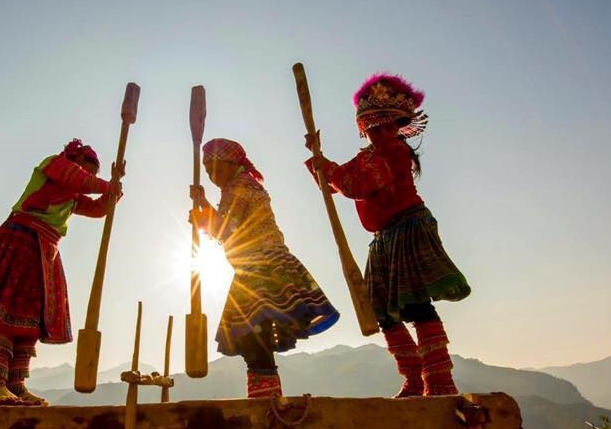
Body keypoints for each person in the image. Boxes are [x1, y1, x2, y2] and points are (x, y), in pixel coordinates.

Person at [305, 74, 470, 397]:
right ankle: (412, 377)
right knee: (380, 310)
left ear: (396, 126)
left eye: (385, 127)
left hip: (409, 228)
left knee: (416, 304)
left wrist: (327, 166)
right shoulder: (366, 156)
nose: (379, 133)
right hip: (383, 237)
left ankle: (438, 381)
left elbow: (355, 186)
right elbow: (339, 180)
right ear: (364, 128)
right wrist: (318, 155)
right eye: (373, 128)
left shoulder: (395, 152)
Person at [0, 139, 121, 404]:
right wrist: (107, 185)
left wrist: (114, 192)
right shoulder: (54, 164)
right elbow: (77, 179)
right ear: (76, 161)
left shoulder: (72, 196)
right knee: (10, 312)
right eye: (88, 171)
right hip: (24, 238)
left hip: (45, 249)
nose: (90, 177)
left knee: (31, 318)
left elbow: (99, 209)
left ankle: (15, 384)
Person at [191, 138, 339, 399]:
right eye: (207, 171)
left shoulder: (237, 188)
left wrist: (202, 219)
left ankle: (266, 398)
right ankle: (267, 395)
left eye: (216, 169)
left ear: (230, 164)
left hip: (262, 267)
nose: (213, 177)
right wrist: (203, 203)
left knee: (253, 335)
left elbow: (228, 229)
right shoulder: (243, 184)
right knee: (254, 335)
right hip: (261, 266)